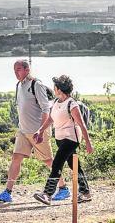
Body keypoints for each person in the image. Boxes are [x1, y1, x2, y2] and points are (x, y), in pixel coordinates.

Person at [0, 60, 70, 202]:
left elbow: (46, 109)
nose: (16, 73)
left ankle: (63, 189)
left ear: (27, 70)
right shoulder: (19, 85)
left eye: (19, 69)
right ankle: (7, 193)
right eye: (14, 70)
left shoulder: (36, 85)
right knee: (16, 158)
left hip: (37, 131)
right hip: (23, 130)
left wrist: (40, 130)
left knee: (48, 161)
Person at [33, 75, 93, 205]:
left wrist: (88, 143)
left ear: (59, 89)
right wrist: (40, 130)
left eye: (55, 86)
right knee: (75, 166)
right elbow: (50, 119)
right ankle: (86, 193)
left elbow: (82, 125)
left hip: (71, 139)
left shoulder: (72, 104)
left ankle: (47, 194)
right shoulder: (55, 102)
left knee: (57, 164)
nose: (54, 88)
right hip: (60, 139)